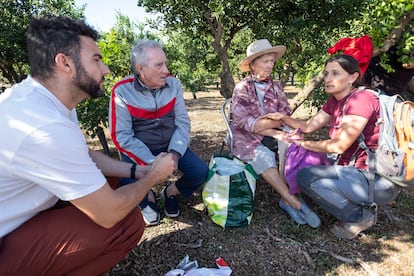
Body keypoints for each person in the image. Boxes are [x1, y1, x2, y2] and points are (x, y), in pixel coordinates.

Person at [0, 16, 175, 275]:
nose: (105, 69)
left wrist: (135, 172)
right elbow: (109, 213)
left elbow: (81, 153)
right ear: (65, 63)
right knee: (126, 223)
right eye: (96, 59)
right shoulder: (45, 127)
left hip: (19, 213)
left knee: (110, 182)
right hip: (5, 240)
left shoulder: (44, 100)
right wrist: (153, 178)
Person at [267, 55, 401, 239]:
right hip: (355, 173)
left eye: (335, 73)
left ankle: (360, 216)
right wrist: (282, 117)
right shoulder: (335, 101)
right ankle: (352, 202)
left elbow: (338, 145)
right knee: (310, 166)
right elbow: (308, 126)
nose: (328, 78)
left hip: (377, 180)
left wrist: (304, 144)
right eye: (326, 73)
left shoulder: (361, 100)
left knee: (307, 176)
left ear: (353, 77)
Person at [109, 39, 209, 226]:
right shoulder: (122, 91)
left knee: (200, 172)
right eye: (159, 65)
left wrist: (174, 154)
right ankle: (147, 198)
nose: (166, 70)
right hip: (140, 150)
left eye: (165, 63)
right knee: (127, 181)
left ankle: (171, 192)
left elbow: (182, 122)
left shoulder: (174, 85)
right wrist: (153, 163)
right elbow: (121, 136)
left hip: (170, 146)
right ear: (141, 69)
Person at [230, 39, 321, 228]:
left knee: (291, 143)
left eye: (272, 61)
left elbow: (285, 114)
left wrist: (275, 127)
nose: (270, 65)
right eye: (265, 61)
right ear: (253, 65)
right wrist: (273, 130)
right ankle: (292, 201)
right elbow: (243, 122)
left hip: (271, 131)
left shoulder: (276, 86)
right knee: (263, 156)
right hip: (247, 136)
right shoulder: (242, 88)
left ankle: (289, 196)